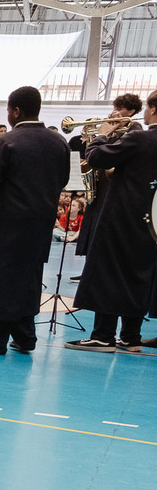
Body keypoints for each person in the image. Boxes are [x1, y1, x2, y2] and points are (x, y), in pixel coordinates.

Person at [0, 85, 73, 356]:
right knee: (28, 277)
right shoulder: (58, 142)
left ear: (16, 111)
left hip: (7, 220)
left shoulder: (8, 141)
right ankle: (25, 336)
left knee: (3, 279)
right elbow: (65, 180)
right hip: (42, 222)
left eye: (9, 110)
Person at [70, 96, 157, 350]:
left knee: (107, 271)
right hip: (151, 221)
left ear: (152, 109)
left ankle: (103, 335)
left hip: (122, 215)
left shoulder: (141, 137)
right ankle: (131, 337)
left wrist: (102, 135)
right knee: (139, 274)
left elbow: (97, 158)